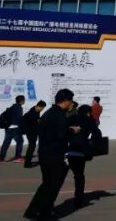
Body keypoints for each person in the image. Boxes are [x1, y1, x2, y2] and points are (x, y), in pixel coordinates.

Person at [24, 89, 78, 221]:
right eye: (70, 101)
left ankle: (33, 210)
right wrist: (72, 131)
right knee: (53, 185)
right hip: (54, 155)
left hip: (44, 153)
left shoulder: (49, 113)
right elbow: (61, 135)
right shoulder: (59, 115)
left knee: (46, 184)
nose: (71, 104)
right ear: (65, 101)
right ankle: (45, 214)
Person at [66, 104, 102, 208]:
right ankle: (78, 199)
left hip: (67, 150)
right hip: (80, 152)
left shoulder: (71, 118)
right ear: (88, 113)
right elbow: (97, 134)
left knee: (58, 177)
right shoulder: (90, 121)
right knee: (79, 176)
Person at [0, 95, 26, 162]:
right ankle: (17, 157)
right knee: (20, 141)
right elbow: (19, 119)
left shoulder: (12, 107)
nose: (24, 101)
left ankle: (1, 158)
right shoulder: (19, 108)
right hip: (15, 128)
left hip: (8, 128)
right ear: (21, 101)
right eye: (24, 100)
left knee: (6, 143)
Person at [22, 100, 46, 168]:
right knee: (31, 147)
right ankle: (27, 163)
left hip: (34, 132)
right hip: (31, 133)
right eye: (42, 108)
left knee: (32, 147)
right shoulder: (31, 113)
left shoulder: (36, 112)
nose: (42, 109)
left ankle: (28, 162)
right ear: (38, 106)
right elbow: (34, 122)